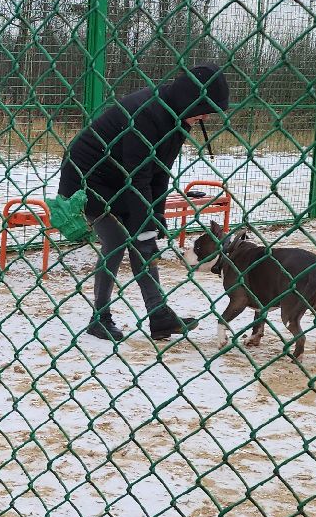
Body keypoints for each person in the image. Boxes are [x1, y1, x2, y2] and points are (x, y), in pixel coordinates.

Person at [57, 63, 231, 341]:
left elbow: (159, 172)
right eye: (207, 108)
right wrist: (144, 224)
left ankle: (158, 315)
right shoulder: (147, 114)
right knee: (116, 240)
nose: (209, 116)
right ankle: (99, 317)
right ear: (192, 99)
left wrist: (155, 215)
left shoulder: (179, 118)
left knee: (143, 243)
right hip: (87, 178)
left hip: (120, 178)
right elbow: (138, 177)